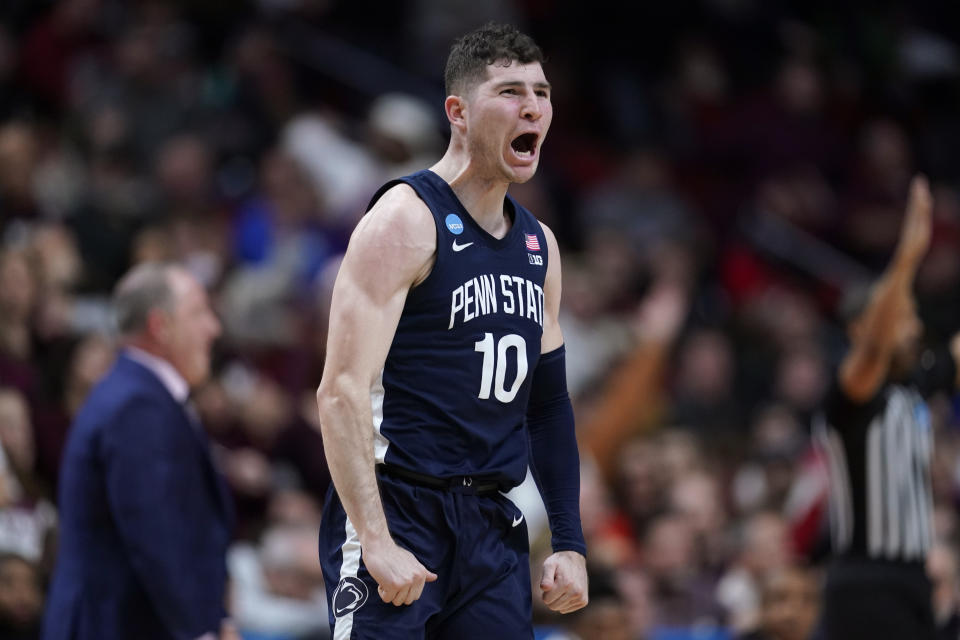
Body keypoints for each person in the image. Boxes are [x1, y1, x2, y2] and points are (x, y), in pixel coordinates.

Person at [316, 22, 588, 639]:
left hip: (492, 522)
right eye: (511, 91)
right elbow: (340, 392)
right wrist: (376, 539)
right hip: (400, 505)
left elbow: (547, 407)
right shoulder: (405, 219)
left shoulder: (539, 246)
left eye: (542, 93)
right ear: (458, 112)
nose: (533, 108)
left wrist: (568, 540)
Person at [42, 263, 238, 640]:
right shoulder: (137, 406)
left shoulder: (142, 396)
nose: (214, 328)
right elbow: (157, 535)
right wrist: (201, 631)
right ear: (159, 325)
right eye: (199, 313)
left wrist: (218, 617)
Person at [814, 176, 960, 640]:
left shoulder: (911, 388)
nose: (915, 325)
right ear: (863, 326)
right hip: (866, 583)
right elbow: (877, 345)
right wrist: (907, 257)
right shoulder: (851, 397)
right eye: (904, 315)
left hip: (912, 580)